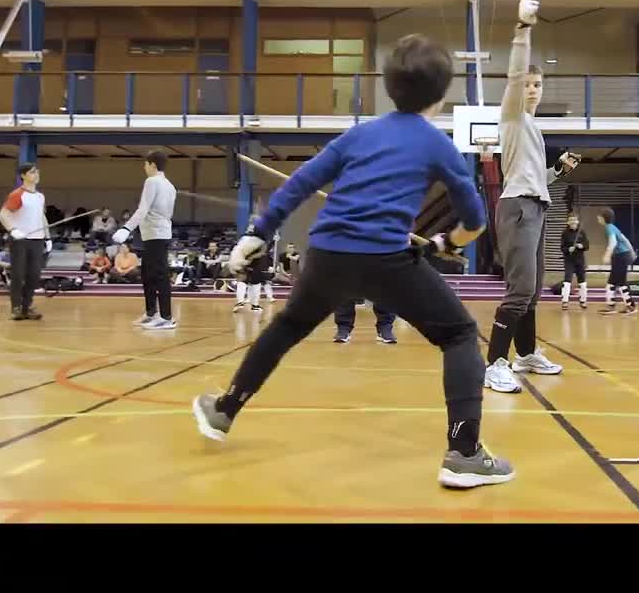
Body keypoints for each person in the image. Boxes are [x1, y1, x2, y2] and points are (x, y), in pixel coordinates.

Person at [191, 32, 512, 489]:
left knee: (286, 328)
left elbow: (299, 184)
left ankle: (224, 410)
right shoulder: (437, 144)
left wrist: (256, 234)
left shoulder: (360, 134)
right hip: (386, 258)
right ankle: (464, 453)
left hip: (326, 256)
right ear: (441, 95)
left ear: (390, 86)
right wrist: (440, 244)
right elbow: (475, 221)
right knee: (460, 333)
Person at [485, 0, 582, 394]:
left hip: (536, 205)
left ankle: (524, 354)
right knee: (520, 289)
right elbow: (513, 75)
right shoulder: (511, 116)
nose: (533, 89)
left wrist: (557, 171)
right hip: (517, 208)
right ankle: (493, 364)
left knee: (534, 289)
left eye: (538, 84)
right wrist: (522, 28)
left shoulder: (535, 129)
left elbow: (535, 177)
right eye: (528, 84)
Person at [113, 150, 178, 330]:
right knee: (148, 275)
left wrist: (126, 228)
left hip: (157, 235)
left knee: (159, 276)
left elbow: (143, 209)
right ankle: (151, 313)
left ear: (152, 165)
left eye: (145, 164)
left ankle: (166, 317)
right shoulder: (170, 185)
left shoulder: (152, 181)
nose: (144, 167)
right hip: (155, 234)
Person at [0, 163, 51, 321]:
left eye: (37, 172)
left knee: (34, 275)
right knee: (18, 274)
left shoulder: (40, 196)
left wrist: (47, 236)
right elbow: (3, 215)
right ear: (23, 176)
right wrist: (13, 230)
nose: (36, 174)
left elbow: (42, 217)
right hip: (20, 240)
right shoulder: (17, 194)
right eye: (32, 172)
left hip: (37, 240)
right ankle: (16, 307)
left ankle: (27, 306)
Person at [598, 208, 638, 316]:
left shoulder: (609, 228)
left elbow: (613, 242)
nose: (598, 217)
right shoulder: (614, 227)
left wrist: (607, 254)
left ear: (603, 218)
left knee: (620, 283)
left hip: (620, 257)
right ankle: (611, 306)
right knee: (612, 283)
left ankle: (631, 306)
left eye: (599, 216)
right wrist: (632, 252)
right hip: (621, 256)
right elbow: (625, 240)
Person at [560, 214, 590, 311]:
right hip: (569, 260)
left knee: (582, 281)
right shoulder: (565, 233)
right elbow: (562, 247)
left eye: (575, 220)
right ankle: (565, 301)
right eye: (571, 221)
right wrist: (568, 249)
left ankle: (583, 300)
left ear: (577, 222)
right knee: (567, 280)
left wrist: (582, 246)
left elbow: (587, 245)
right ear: (568, 222)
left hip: (580, 260)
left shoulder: (582, 232)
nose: (573, 222)